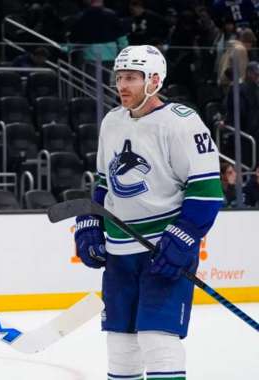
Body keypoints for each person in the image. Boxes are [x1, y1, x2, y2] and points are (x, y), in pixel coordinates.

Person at [73, 45, 223, 380]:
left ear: (154, 80)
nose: (121, 85)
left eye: (131, 78)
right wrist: (90, 220)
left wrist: (183, 238)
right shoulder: (112, 121)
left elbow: (207, 192)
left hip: (162, 249)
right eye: (119, 77)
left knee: (158, 340)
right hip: (120, 250)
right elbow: (102, 181)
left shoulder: (182, 124)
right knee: (120, 347)